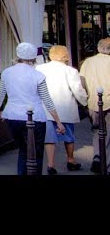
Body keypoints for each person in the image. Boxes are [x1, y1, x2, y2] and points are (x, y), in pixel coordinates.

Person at [0, 42, 66, 175]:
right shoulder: (38, 75)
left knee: (23, 151)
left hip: (13, 116)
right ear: (33, 58)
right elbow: (47, 100)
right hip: (35, 117)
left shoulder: (7, 73)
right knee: (36, 154)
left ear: (18, 55)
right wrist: (58, 122)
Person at [36, 45, 88, 175]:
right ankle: (71, 160)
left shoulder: (40, 68)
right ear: (65, 56)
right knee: (69, 135)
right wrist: (85, 101)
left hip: (46, 108)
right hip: (65, 107)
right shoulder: (70, 71)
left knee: (49, 137)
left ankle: (51, 165)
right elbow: (77, 89)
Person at [78, 37, 110, 173]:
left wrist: (85, 100)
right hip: (108, 101)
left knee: (97, 131)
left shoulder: (88, 62)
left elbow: (82, 82)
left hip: (93, 102)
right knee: (108, 133)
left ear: (98, 48)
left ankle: (98, 156)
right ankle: (106, 162)